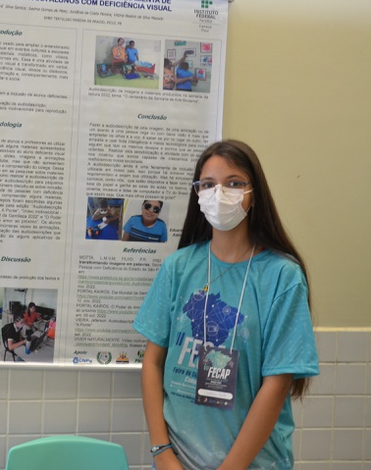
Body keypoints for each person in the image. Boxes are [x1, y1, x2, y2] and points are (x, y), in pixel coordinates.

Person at [133, 140, 318, 469]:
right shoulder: (177, 268)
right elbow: (152, 362)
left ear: (254, 193)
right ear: (197, 194)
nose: (219, 194)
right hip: (177, 461)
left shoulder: (282, 276)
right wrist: (162, 453)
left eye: (233, 183)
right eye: (208, 185)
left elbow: (277, 385)